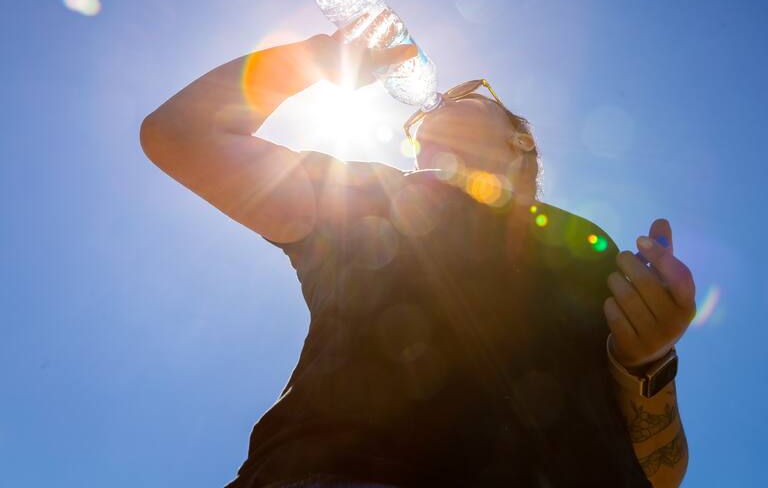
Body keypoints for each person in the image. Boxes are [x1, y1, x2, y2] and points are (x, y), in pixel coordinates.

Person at [140, 26, 696, 488]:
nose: (435, 108)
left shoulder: (585, 243)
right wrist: (310, 60)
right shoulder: (372, 196)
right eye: (414, 133)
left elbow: (660, 474)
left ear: (520, 140)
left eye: (467, 95)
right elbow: (181, 135)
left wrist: (647, 360)